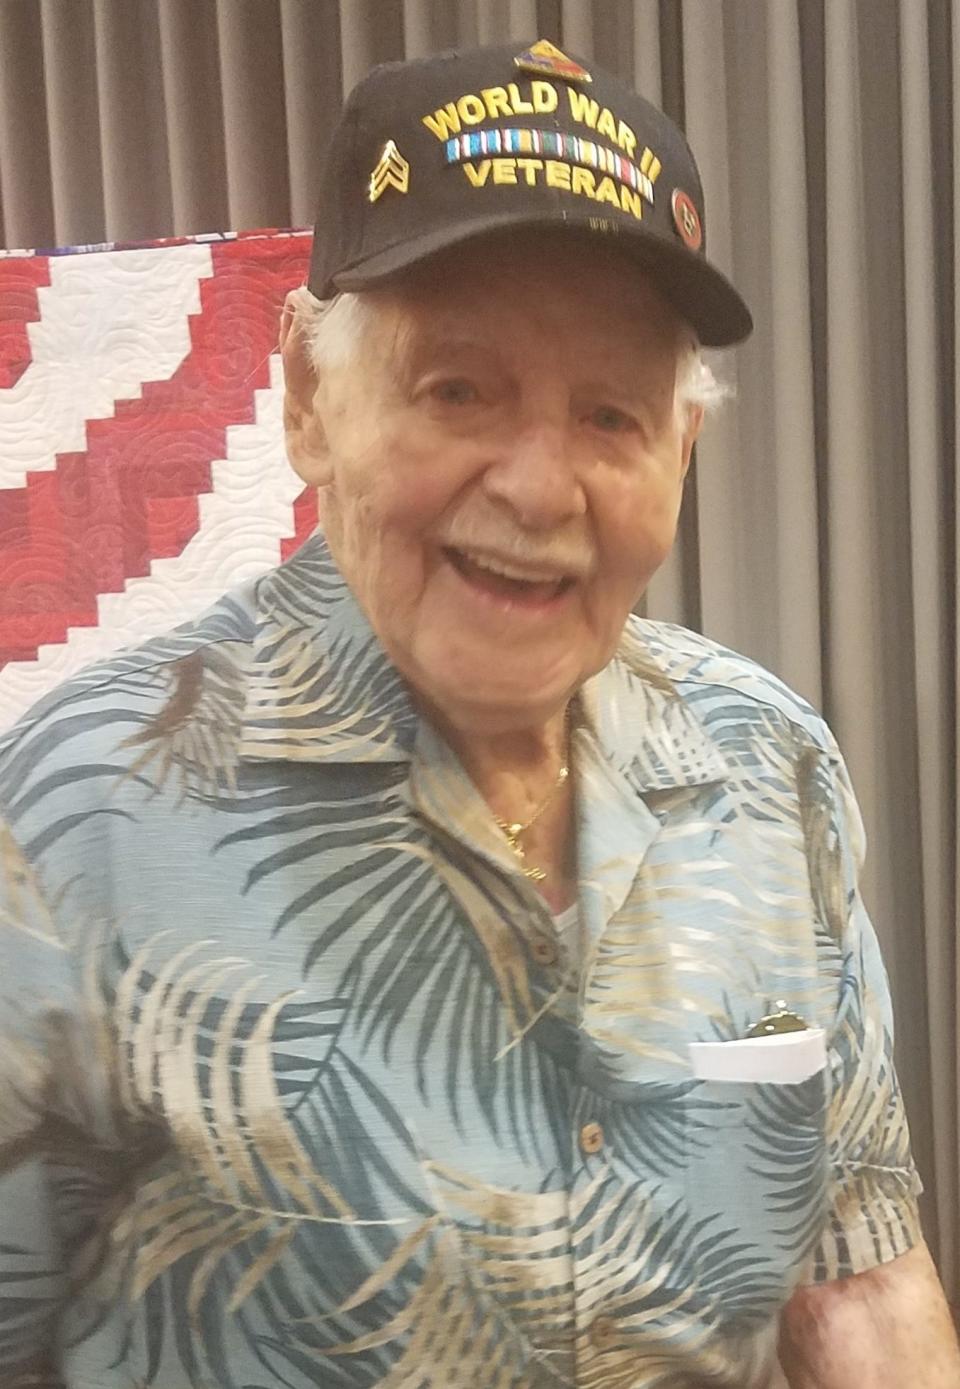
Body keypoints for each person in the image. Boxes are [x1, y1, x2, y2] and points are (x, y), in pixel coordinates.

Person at [0, 38, 956, 1389]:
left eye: (611, 413)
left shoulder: (768, 766)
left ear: (680, 451)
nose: (538, 486)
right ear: (309, 398)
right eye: (460, 388)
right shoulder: (80, 812)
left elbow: (857, 1273)